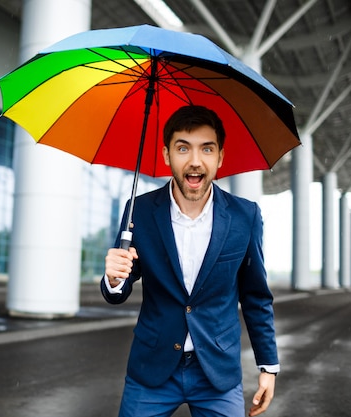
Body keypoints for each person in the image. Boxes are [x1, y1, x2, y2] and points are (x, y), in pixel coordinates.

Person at [101, 105, 279, 417]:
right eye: (183, 148)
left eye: (206, 149)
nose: (195, 161)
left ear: (220, 157)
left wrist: (268, 366)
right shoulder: (139, 210)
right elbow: (121, 285)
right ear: (167, 155)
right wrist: (115, 280)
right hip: (152, 369)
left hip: (217, 372)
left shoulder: (244, 216)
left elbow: (255, 296)